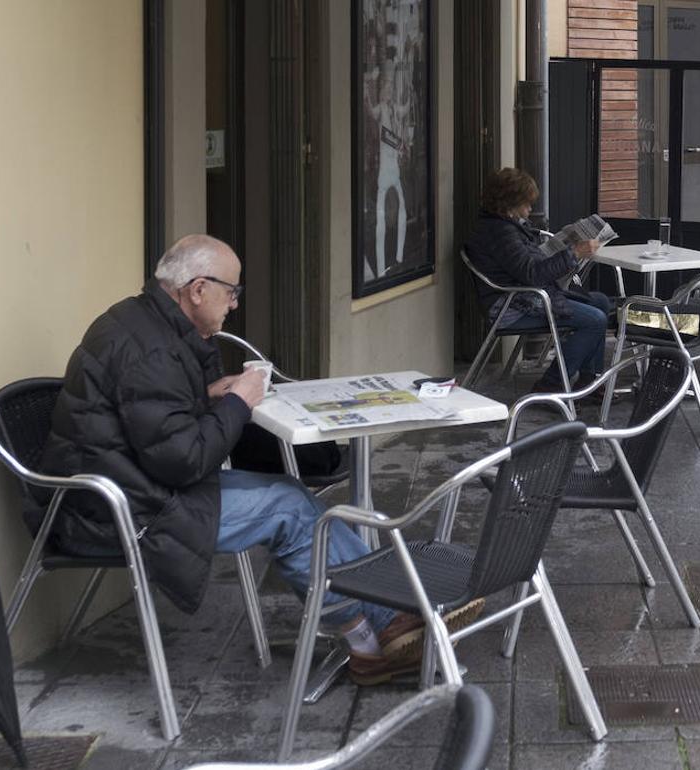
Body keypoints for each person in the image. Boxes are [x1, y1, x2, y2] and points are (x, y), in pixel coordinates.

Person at [37, 234, 478, 685]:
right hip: (123, 507)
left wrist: (207, 395)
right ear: (197, 289)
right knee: (291, 511)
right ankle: (374, 641)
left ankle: (385, 624)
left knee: (293, 500)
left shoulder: (141, 324)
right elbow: (183, 460)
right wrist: (238, 405)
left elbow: (152, 421)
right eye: (231, 292)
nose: (233, 305)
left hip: (134, 482)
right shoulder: (150, 348)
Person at [465, 167, 612, 395]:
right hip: (513, 306)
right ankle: (550, 384)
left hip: (523, 296)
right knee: (595, 320)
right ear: (509, 204)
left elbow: (526, 267)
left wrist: (561, 251)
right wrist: (573, 253)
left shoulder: (502, 226)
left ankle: (588, 381)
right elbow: (532, 274)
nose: (530, 209)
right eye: (526, 203)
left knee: (601, 301)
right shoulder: (501, 233)